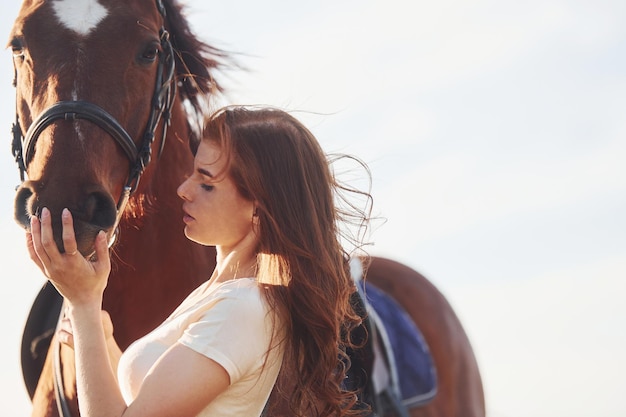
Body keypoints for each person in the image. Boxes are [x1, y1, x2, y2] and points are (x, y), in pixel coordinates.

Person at [27, 106, 373, 417]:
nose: (184, 189)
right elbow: (144, 401)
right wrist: (100, 337)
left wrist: (84, 304)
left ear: (258, 209)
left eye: (206, 184)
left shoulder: (242, 309)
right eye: (194, 172)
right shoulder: (216, 294)